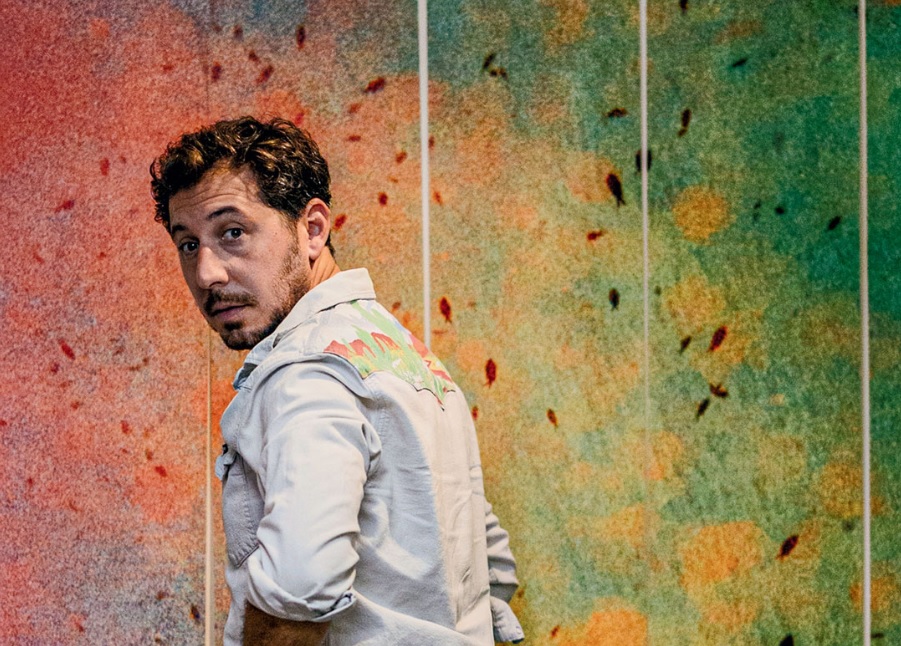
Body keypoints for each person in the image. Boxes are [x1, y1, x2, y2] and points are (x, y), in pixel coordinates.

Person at [150, 116, 523, 645]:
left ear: (313, 229)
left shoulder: (306, 373)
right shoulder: (410, 357)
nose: (207, 272)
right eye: (188, 244)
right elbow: (493, 569)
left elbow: (294, 601)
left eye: (233, 233)